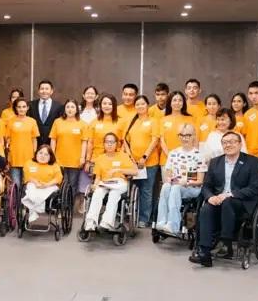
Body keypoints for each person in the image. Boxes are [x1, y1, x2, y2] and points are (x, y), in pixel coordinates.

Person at [189, 131, 258, 267]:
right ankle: (204, 252)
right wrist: (210, 197)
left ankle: (226, 243)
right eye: (225, 143)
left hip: (241, 202)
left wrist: (230, 194)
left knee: (228, 202)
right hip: (218, 200)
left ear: (240, 144)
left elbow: (254, 188)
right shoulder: (215, 162)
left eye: (232, 142)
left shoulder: (252, 162)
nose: (228, 145)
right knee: (206, 209)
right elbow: (206, 185)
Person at [155, 123, 207, 235]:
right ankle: (161, 221)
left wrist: (186, 182)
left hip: (192, 188)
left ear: (194, 136)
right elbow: (168, 174)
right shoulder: (173, 153)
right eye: (182, 135)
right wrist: (170, 179)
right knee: (166, 186)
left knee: (175, 188)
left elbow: (200, 181)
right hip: (175, 186)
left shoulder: (199, 155)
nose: (184, 138)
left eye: (188, 135)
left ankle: (173, 225)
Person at [83, 132, 138, 231]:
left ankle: (107, 222)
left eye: (112, 142)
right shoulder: (100, 158)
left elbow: (135, 172)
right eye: (107, 142)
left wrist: (119, 170)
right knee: (97, 193)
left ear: (116, 144)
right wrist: (95, 185)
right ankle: (91, 222)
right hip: (104, 183)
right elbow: (98, 177)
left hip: (119, 183)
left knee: (114, 194)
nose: (109, 144)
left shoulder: (123, 156)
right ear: (104, 144)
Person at [121, 95, 160, 228]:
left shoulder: (154, 121)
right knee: (133, 189)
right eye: (137, 104)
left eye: (143, 104)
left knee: (146, 191)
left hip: (149, 162)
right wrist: (130, 157)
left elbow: (155, 140)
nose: (140, 106)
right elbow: (125, 140)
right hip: (133, 163)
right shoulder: (131, 121)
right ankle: (133, 216)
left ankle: (144, 218)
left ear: (147, 105)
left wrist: (144, 157)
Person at [49, 99, 89, 202]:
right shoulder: (57, 122)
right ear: (64, 109)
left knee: (72, 184)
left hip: (75, 160)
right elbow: (53, 140)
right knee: (60, 183)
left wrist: (82, 157)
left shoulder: (82, 124)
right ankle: (60, 205)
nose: (70, 109)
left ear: (77, 109)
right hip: (59, 159)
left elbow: (84, 142)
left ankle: (69, 207)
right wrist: (52, 156)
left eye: (72, 107)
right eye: (67, 107)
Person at [21, 145, 63, 223]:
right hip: (34, 184)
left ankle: (34, 209)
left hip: (50, 186)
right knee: (31, 187)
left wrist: (46, 185)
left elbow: (58, 178)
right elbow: (27, 176)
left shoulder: (54, 165)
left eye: (46, 154)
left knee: (43, 192)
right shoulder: (29, 163)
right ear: (36, 153)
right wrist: (35, 182)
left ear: (50, 157)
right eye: (40, 153)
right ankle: (34, 210)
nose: (42, 156)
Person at [5, 98, 39, 186]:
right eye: (19, 107)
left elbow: (34, 140)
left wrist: (35, 154)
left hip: (29, 157)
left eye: (24, 107)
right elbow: (8, 139)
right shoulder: (11, 121)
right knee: (16, 185)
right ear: (16, 108)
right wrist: (8, 155)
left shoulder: (32, 121)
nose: (21, 109)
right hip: (15, 157)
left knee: (27, 184)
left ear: (27, 108)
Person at [159, 91, 196, 165]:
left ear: (183, 103)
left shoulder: (190, 119)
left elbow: (195, 139)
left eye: (180, 100)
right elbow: (162, 141)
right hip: (167, 160)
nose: (177, 103)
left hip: (186, 160)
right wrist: (171, 157)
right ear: (170, 103)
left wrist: (192, 156)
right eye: (174, 100)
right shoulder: (163, 120)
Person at [86, 93, 121, 167]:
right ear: (100, 105)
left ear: (114, 106)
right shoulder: (94, 122)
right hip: (96, 160)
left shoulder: (121, 122)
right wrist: (88, 161)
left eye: (110, 104)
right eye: (104, 103)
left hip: (115, 161)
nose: (107, 106)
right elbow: (90, 143)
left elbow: (124, 143)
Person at [29, 79, 64, 146]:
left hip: (52, 144)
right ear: (38, 91)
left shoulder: (59, 106)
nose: (44, 91)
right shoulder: (31, 105)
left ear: (51, 91)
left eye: (47, 89)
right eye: (42, 89)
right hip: (34, 143)